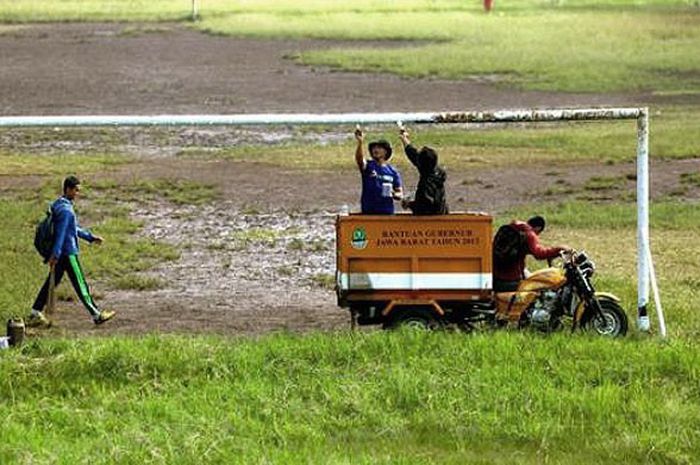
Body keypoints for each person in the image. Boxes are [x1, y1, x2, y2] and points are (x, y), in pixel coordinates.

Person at [27, 176, 116, 327]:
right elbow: (61, 234)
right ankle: (96, 314)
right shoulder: (67, 210)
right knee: (80, 284)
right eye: (76, 190)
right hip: (68, 253)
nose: (77, 193)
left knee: (51, 283)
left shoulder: (58, 204)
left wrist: (89, 237)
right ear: (68, 189)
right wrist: (54, 255)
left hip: (61, 254)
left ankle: (35, 311)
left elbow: (71, 228)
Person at [492, 215, 570, 292]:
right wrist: (560, 248)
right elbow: (539, 254)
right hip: (511, 279)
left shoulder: (514, 228)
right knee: (540, 287)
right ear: (538, 228)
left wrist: (551, 254)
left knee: (530, 274)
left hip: (495, 275)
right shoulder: (529, 234)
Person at [398, 126, 448, 215]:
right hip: (442, 214)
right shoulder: (438, 172)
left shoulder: (426, 183)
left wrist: (409, 204)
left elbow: (425, 206)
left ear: (420, 164)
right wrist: (404, 139)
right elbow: (413, 154)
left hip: (429, 222)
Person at [354, 126, 403, 214]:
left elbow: (400, 194)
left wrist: (394, 194)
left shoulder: (393, 171)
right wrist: (360, 142)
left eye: (379, 148)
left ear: (386, 152)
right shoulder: (368, 165)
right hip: (368, 212)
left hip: (387, 212)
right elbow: (359, 159)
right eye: (374, 148)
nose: (375, 150)